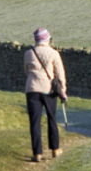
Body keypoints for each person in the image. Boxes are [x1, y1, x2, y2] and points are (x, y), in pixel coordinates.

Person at [23, 27, 68, 162]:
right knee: (51, 118)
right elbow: (60, 74)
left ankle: (37, 153)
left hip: (32, 88)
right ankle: (55, 149)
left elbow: (26, 70)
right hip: (48, 89)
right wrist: (63, 89)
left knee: (34, 121)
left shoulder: (28, 53)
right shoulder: (53, 53)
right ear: (47, 39)